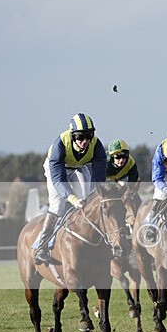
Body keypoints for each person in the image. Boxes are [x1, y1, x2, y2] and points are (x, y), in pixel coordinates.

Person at [33, 112, 107, 265]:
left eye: (89, 136)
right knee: (58, 206)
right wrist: (72, 198)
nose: (85, 141)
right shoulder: (59, 145)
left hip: (78, 168)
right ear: (73, 136)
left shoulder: (96, 145)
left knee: (88, 200)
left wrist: (96, 193)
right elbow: (59, 179)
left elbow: (99, 177)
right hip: (57, 171)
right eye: (80, 137)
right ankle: (42, 247)